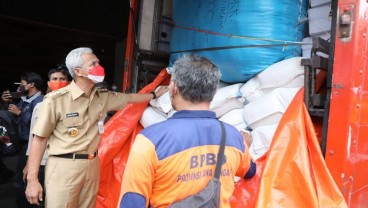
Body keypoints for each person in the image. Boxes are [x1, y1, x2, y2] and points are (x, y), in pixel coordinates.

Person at [25, 47, 168, 208]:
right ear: (78, 71)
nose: (99, 66)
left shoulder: (102, 97)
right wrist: (32, 179)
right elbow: (40, 139)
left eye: (98, 62)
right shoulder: (56, 100)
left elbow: (130, 98)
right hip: (64, 166)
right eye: (93, 64)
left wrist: (155, 95)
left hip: (92, 165)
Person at [120, 54, 256, 208]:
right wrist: (244, 145)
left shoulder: (150, 140)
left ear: (174, 88)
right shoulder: (233, 138)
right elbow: (250, 172)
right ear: (213, 91)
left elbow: (131, 202)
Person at [22, 65, 72, 208]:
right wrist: (29, 163)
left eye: (62, 79)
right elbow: (34, 137)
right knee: (40, 200)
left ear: (68, 83)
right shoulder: (41, 106)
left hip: (64, 163)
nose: (58, 81)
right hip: (43, 161)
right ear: (49, 83)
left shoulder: (75, 106)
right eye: (54, 79)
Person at [1, 72, 44, 208]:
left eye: (22, 84)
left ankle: (28, 203)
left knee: (22, 179)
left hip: (31, 144)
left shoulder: (41, 101)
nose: (20, 87)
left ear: (31, 85)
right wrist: (6, 102)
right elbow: (13, 118)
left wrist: (19, 113)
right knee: (22, 177)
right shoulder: (25, 99)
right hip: (22, 142)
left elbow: (39, 124)